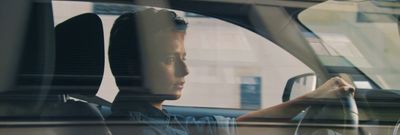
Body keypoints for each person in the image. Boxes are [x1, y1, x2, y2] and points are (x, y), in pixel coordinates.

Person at [107, 9, 355, 135]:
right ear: (134, 66)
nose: (185, 70)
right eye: (171, 59)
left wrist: (308, 99)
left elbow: (234, 128)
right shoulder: (139, 130)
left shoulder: (158, 119)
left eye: (184, 58)